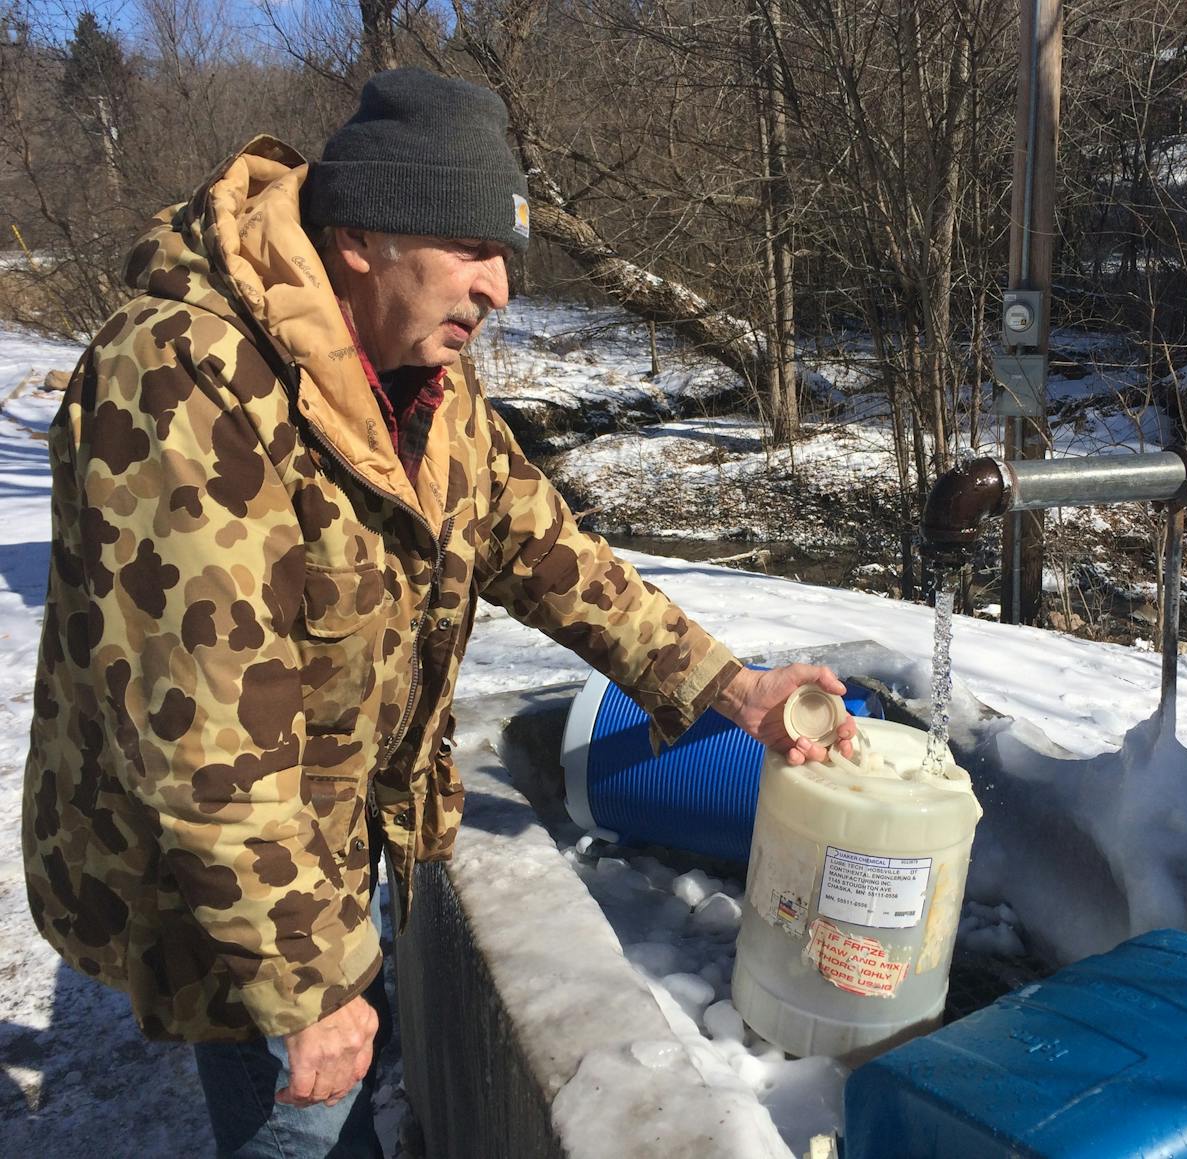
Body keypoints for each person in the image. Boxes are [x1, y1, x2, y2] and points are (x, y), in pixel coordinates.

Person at [21, 68, 854, 1158]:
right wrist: (307, 984)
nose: (500, 289)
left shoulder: (424, 384)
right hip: (218, 867)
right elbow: (202, 746)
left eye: (505, 256)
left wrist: (727, 686)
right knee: (302, 1122)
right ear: (361, 238)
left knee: (344, 1086)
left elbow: (547, 552)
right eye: (472, 250)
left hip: (331, 832)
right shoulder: (186, 382)